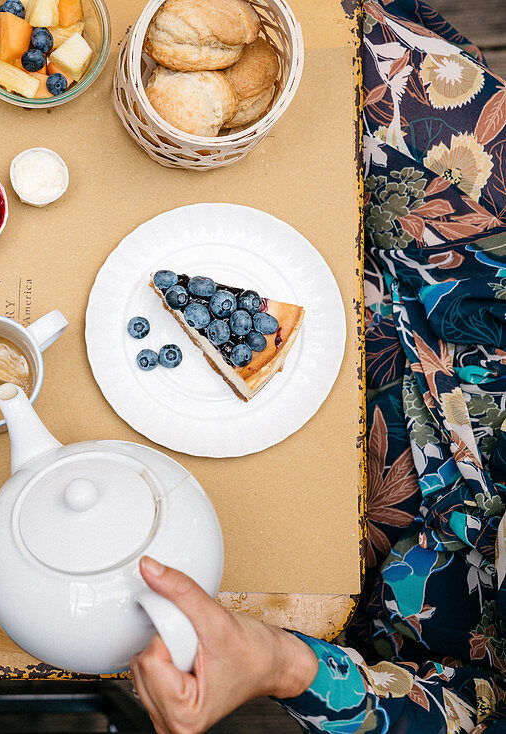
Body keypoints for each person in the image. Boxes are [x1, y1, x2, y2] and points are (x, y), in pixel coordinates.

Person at [129, 1, 506, 732]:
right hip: (433, 268)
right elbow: (365, 52)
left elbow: (469, 717)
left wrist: (280, 665)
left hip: (351, 559)